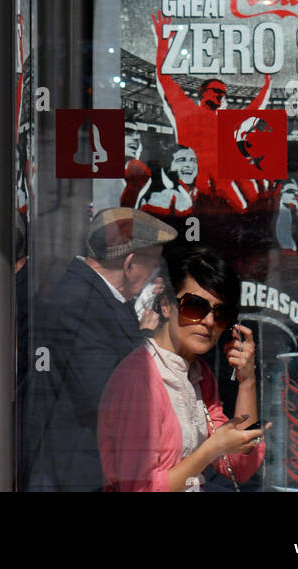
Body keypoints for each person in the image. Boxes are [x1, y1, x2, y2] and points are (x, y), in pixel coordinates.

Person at [98, 243, 268, 492]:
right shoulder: (139, 378)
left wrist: (247, 381)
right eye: (195, 307)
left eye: (221, 313)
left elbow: (240, 465)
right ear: (166, 305)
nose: (208, 322)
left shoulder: (198, 374)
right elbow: (138, 488)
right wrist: (212, 449)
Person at [28, 207, 176, 492]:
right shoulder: (79, 304)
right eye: (154, 263)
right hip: (81, 476)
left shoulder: (92, 295)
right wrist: (146, 335)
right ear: (130, 263)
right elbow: (109, 397)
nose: (155, 274)